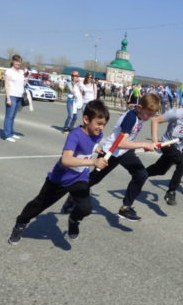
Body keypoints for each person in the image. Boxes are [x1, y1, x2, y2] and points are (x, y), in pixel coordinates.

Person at [7, 100, 110, 245]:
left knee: (86, 208)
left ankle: (73, 220)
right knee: (38, 205)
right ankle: (20, 224)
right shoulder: (75, 135)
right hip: (60, 180)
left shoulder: (97, 134)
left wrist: (96, 149)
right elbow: (66, 161)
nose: (101, 127)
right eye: (99, 123)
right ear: (86, 119)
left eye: (104, 124)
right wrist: (93, 162)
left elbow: (91, 144)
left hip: (80, 177)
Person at [61, 93, 161, 221]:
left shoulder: (141, 114)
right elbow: (120, 143)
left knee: (141, 174)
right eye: (148, 113)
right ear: (140, 107)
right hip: (111, 152)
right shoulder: (131, 118)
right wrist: (143, 144)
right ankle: (74, 194)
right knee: (94, 179)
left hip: (124, 151)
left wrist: (140, 147)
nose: (150, 117)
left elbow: (127, 142)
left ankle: (125, 208)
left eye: (152, 114)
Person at [2, 55, 27, 142]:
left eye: (19, 61)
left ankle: (12, 132)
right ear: (12, 61)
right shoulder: (9, 71)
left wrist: (28, 77)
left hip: (19, 96)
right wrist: (8, 98)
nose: (18, 63)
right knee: (9, 116)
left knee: (13, 116)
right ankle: (7, 134)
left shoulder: (21, 72)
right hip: (12, 95)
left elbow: (23, 84)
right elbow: (6, 84)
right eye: (16, 61)